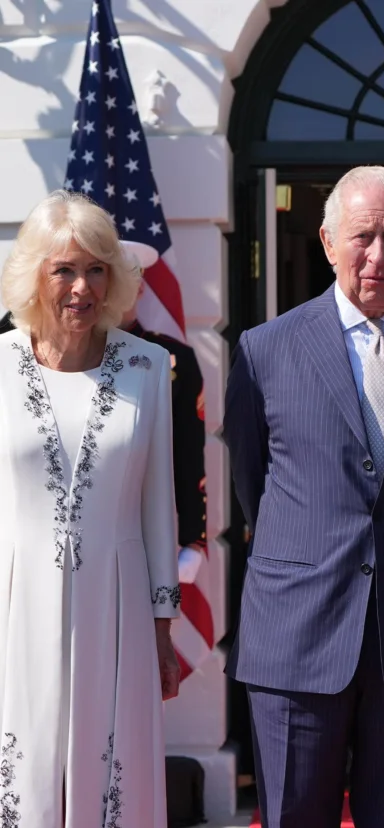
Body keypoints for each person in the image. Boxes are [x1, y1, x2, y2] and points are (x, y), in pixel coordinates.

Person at [224, 165, 384, 827]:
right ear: (327, 242)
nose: (377, 255)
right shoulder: (264, 350)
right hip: (296, 634)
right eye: (362, 236)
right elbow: (253, 484)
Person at [0, 190, 180, 828]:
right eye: (64, 270)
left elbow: (159, 504)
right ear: (34, 276)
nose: (82, 288)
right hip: (15, 604)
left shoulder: (149, 366)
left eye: (96, 270)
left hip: (119, 605)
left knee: (115, 778)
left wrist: (163, 626)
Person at [119, 240, 208, 587]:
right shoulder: (68, 355)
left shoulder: (170, 359)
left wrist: (193, 537)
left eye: (126, 280)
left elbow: (188, 452)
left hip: (143, 526)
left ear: (141, 287)